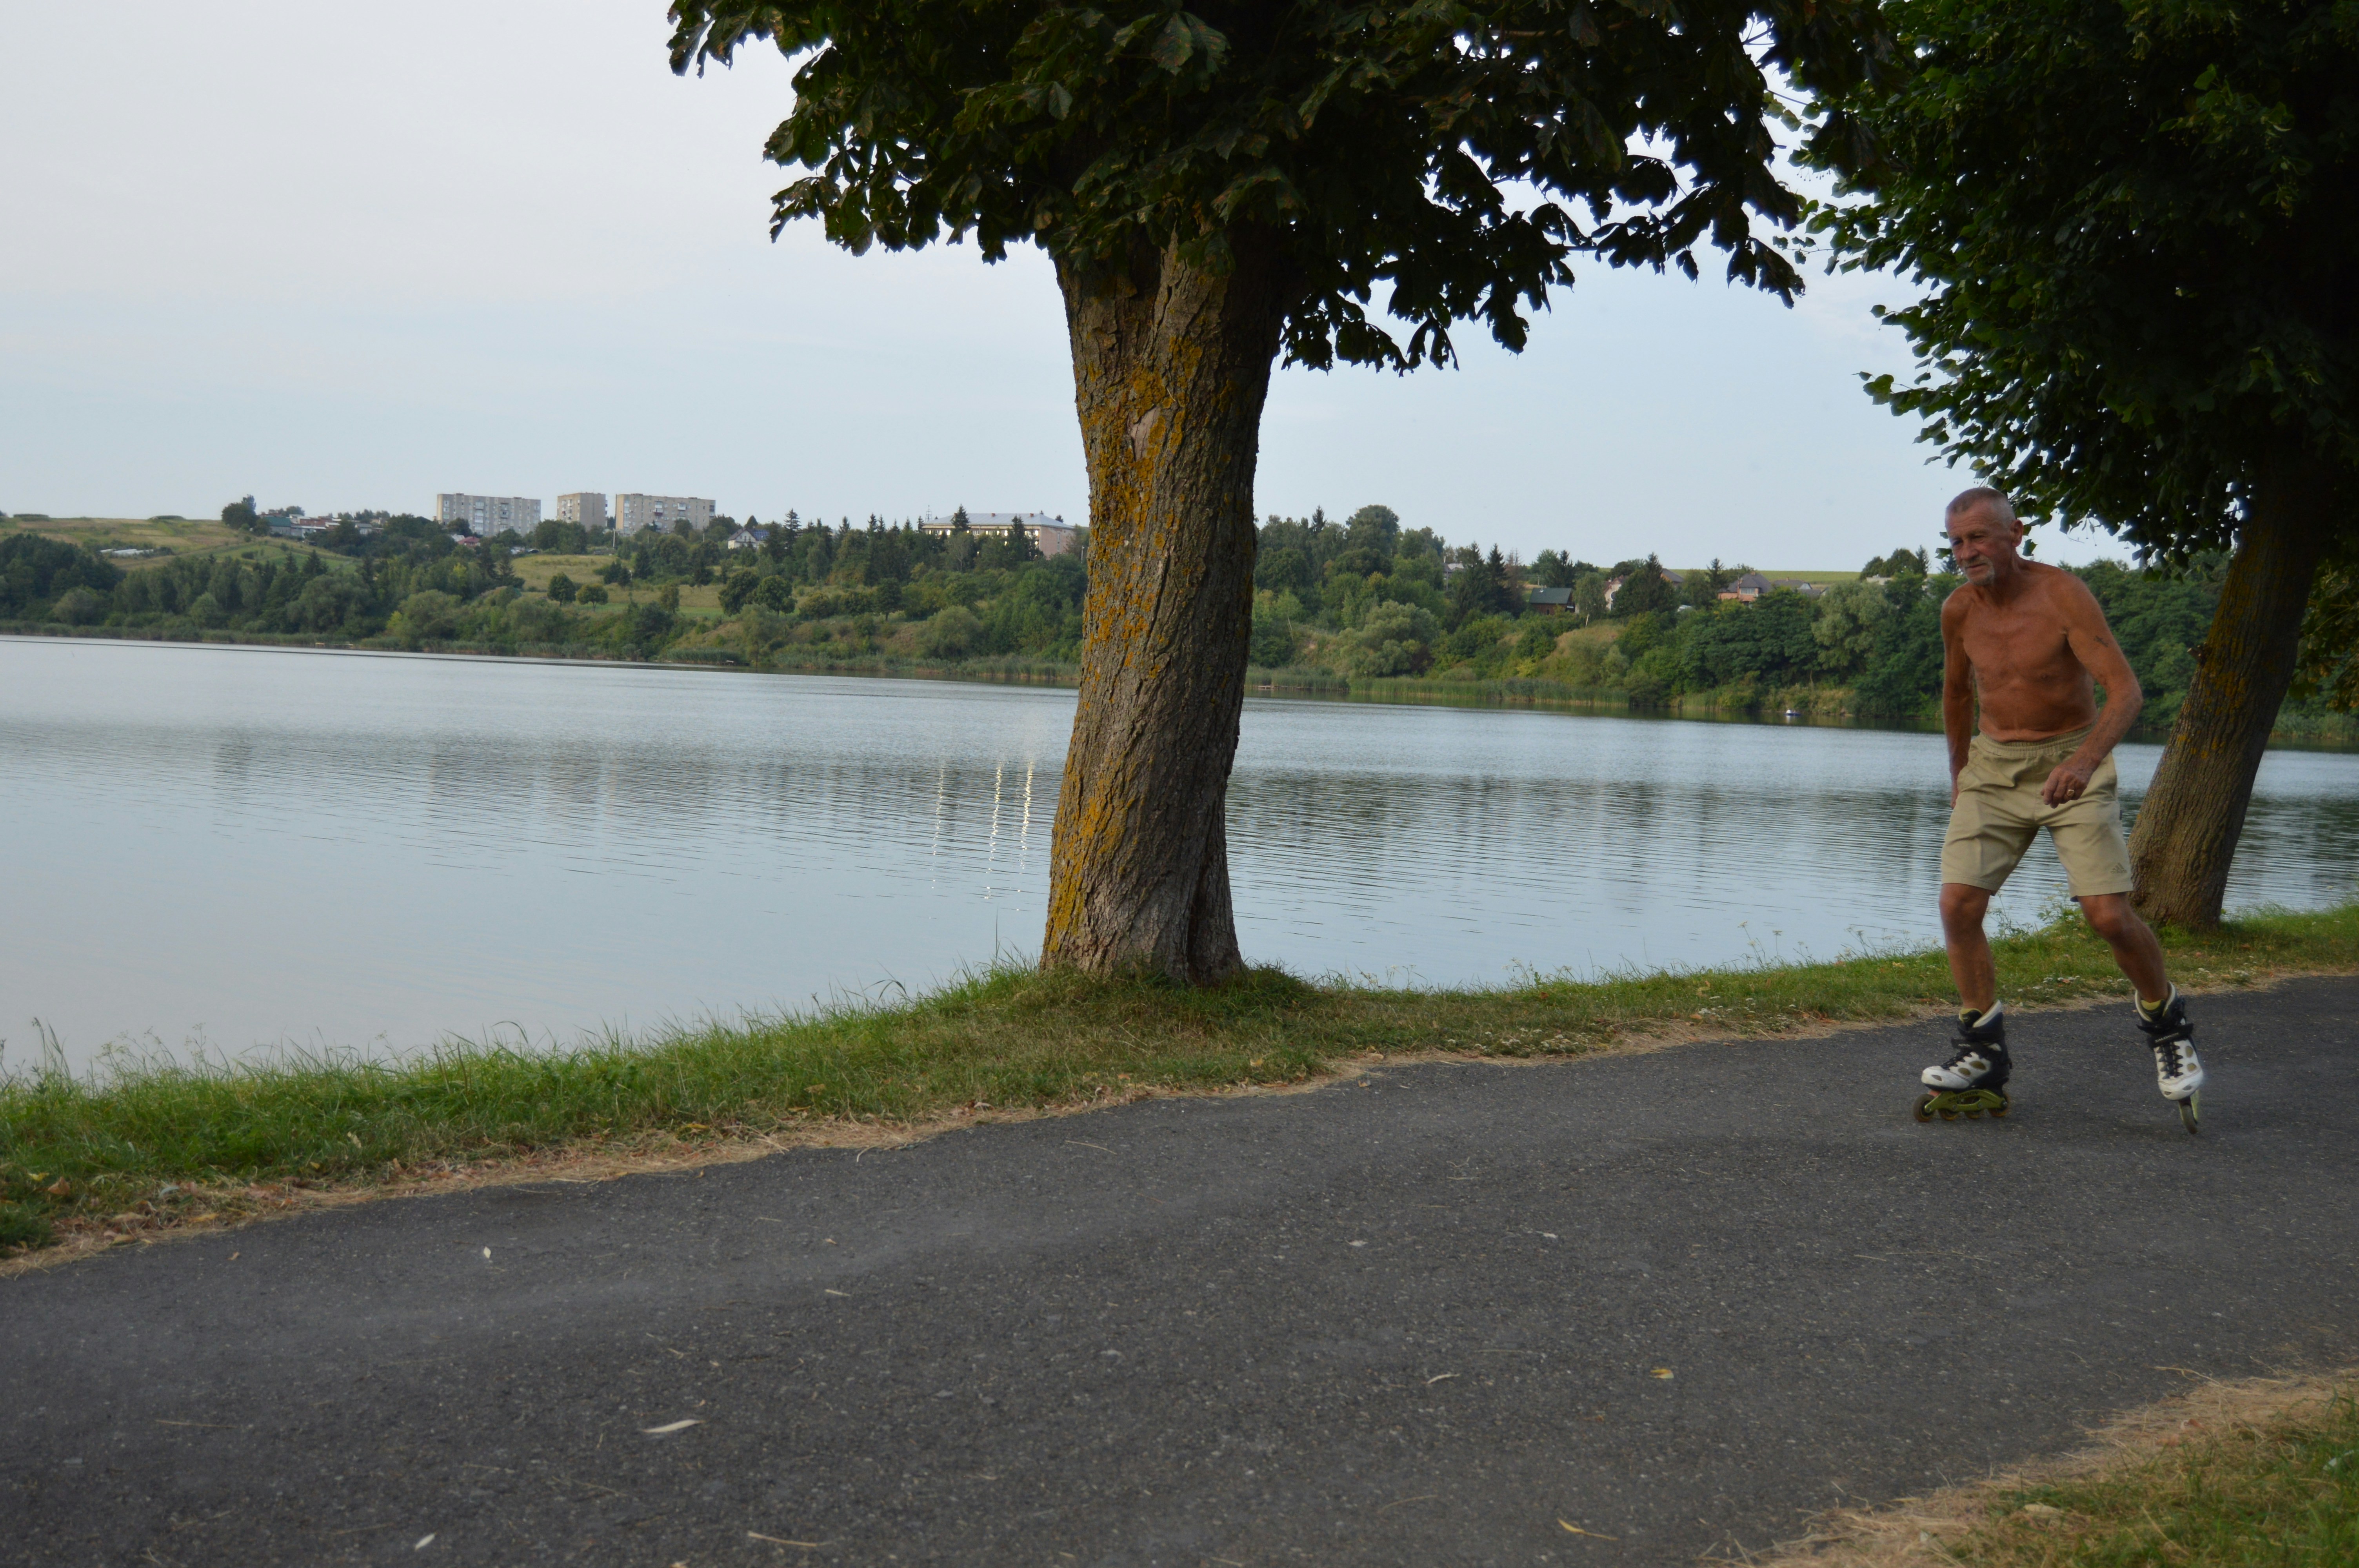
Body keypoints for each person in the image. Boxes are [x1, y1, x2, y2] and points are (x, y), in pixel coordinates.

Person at [1921, 486, 2203, 1113]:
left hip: (2073, 755)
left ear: (2015, 533)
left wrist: (2083, 762)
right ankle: (1983, 1049)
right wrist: (1960, 771)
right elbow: (1957, 695)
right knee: (1958, 904)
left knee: (2106, 914)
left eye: (1978, 537)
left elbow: (2125, 692)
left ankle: (2168, 1026)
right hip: (1993, 765)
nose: (1967, 551)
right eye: (1956, 541)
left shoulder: (2062, 595)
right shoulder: (1958, 610)